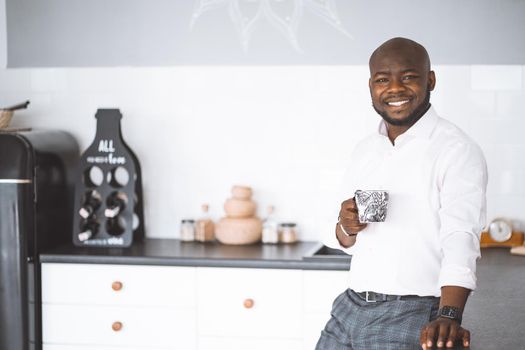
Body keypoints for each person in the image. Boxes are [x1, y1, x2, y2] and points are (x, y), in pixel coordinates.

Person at [316, 37, 488, 350]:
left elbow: (460, 236)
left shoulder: (455, 150)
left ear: (430, 80)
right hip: (348, 307)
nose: (395, 89)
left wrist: (449, 315)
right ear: (371, 86)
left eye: (408, 77)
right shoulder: (365, 150)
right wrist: (345, 227)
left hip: (411, 311)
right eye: (383, 80)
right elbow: (345, 240)